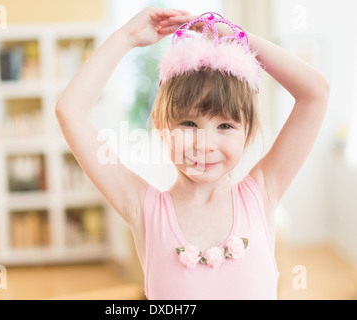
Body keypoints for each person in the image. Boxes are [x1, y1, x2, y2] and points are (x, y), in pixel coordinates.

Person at [55, 8, 330, 300]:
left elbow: (316, 92)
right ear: (162, 127)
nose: (205, 144)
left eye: (225, 125)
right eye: (189, 123)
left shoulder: (261, 192)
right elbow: (69, 112)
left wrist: (231, 35)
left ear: (248, 134)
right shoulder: (143, 207)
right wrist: (126, 37)